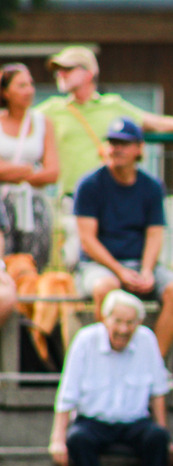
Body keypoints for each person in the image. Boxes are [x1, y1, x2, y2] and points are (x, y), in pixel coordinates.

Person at [35, 45, 173, 199]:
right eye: (58, 70)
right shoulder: (51, 109)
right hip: (70, 198)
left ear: (89, 73)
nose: (61, 74)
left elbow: (156, 122)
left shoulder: (112, 105)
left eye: (68, 69)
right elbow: (15, 124)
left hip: (108, 197)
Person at [48, 289, 169, 466]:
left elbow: (158, 391)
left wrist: (165, 431)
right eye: (118, 321)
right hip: (93, 422)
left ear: (139, 323)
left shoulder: (147, 340)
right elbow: (68, 391)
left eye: (130, 323)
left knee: (158, 438)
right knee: (77, 440)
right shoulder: (85, 340)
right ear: (105, 319)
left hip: (135, 422)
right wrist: (57, 437)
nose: (124, 329)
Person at [74, 117, 173, 358]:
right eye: (112, 142)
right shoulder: (89, 184)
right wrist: (119, 270)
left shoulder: (152, 186)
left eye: (124, 143)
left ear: (139, 148)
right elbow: (88, 241)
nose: (116, 148)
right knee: (107, 288)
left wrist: (147, 271)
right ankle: (105, 358)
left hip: (139, 264)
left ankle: (153, 361)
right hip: (98, 267)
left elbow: (155, 234)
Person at [0, 62, 75, 368]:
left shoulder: (43, 123)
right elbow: (35, 171)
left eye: (31, 84)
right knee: (9, 273)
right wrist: (25, 171)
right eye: (21, 85)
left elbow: (52, 172)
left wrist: (12, 173)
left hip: (34, 209)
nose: (29, 90)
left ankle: (30, 348)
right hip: (4, 208)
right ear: (5, 91)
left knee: (33, 275)